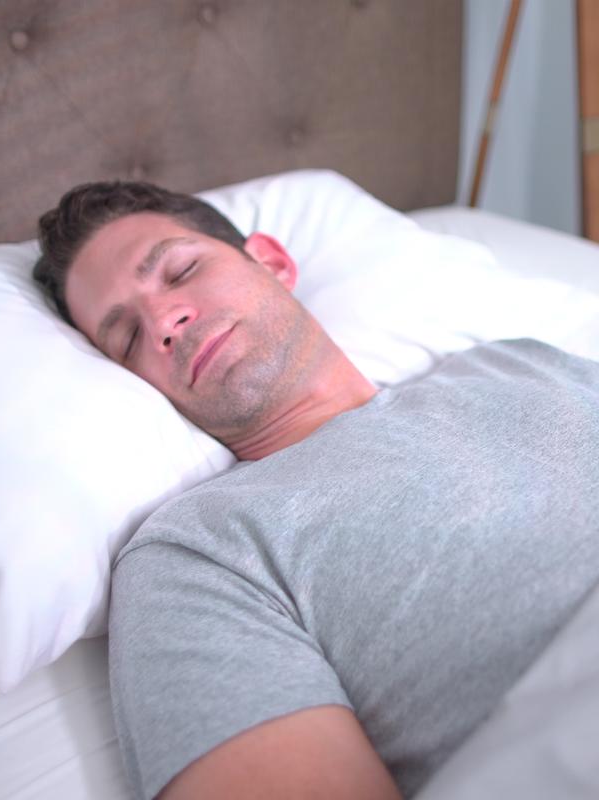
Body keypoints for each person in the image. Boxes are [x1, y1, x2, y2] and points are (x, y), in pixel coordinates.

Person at [34, 181, 599, 800]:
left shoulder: (517, 364)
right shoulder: (196, 556)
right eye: (127, 338)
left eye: (181, 271)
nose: (164, 321)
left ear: (272, 262)